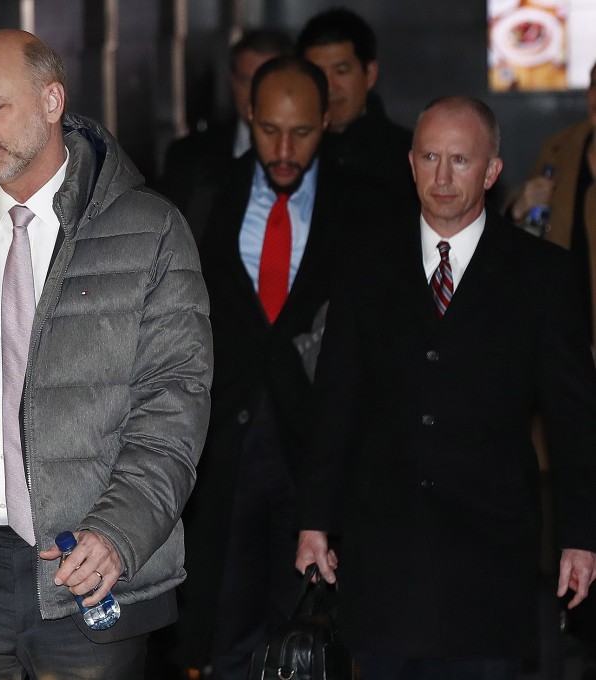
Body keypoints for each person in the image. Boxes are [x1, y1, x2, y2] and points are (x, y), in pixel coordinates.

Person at [0, 29, 212, 679]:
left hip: (84, 559)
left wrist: (118, 531)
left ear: (53, 101)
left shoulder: (146, 230)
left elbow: (175, 406)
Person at [295, 96, 596, 679]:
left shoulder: (541, 275)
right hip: (384, 546)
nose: (442, 176)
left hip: (488, 553)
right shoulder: (365, 262)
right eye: (430, 157)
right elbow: (336, 399)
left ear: (491, 171)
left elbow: (573, 418)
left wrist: (580, 538)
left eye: (460, 160)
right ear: (410, 164)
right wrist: (314, 520)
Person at [173, 56, 395, 680]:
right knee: (224, 630)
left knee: (313, 638)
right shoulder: (202, 193)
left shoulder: (369, 208)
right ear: (249, 117)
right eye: (270, 130)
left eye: (302, 132)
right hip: (222, 452)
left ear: (329, 120)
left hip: (322, 451)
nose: (285, 148)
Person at [157, 29, 292, 240]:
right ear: (232, 81)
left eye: (266, 81)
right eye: (246, 81)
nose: (255, 94)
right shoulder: (188, 156)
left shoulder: (316, 157)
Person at [507, 60, 596, 346]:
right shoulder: (560, 151)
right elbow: (522, 235)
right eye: (594, 85)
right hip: (567, 337)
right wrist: (517, 211)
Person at [297, 7, 414, 201]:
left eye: (341, 71)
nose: (329, 87)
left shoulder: (409, 156)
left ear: (370, 74)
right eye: (317, 74)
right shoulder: (290, 155)